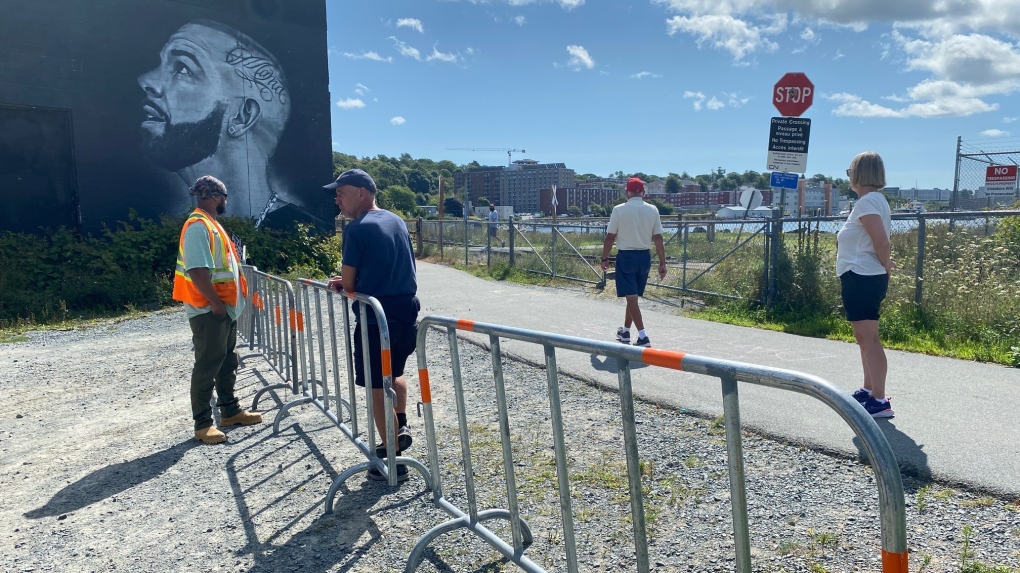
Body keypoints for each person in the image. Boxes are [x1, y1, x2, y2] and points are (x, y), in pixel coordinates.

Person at [138, 19, 300, 224]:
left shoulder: (302, 234)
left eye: (183, 68)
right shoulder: (197, 224)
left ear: (243, 116)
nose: (147, 81)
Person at [325, 169, 419, 482]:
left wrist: (343, 285)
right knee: (396, 375)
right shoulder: (397, 220)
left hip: (375, 317)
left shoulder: (356, 229)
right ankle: (400, 425)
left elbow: (350, 284)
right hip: (406, 310)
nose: (337, 197)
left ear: (362, 193)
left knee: (378, 388)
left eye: (341, 192)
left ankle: (392, 459)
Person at [173, 176, 263, 444]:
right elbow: (197, 270)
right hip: (209, 310)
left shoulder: (210, 224)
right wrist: (215, 303)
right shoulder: (198, 226)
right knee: (208, 365)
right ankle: (202, 425)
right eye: (224, 196)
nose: (225, 201)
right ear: (215, 196)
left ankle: (230, 411)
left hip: (222, 309)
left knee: (226, 360)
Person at [837, 152, 897, 418]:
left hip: (862, 275)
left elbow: (881, 241)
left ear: (858, 174)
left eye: (849, 171)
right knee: (864, 338)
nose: (848, 177)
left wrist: (886, 264)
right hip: (861, 275)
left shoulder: (868, 202)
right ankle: (869, 389)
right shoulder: (873, 200)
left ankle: (880, 400)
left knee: (869, 338)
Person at [600, 177, 667, 347]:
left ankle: (643, 336)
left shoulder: (619, 210)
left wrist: (604, 257)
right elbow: (658, 237)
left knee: (631, 298)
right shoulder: (653, 210)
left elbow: (610, 237)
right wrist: (662, 263)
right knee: (633, 297)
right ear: (643, 193)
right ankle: (625, 332)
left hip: (626, 257)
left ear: (627, 192)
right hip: (645, 257)